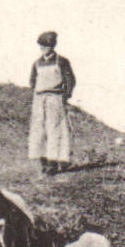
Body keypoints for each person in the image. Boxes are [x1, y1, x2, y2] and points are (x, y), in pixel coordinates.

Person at [28, 31, 76, 176]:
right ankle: (43, 162)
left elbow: (70, 80)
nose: (44, 48)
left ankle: (54, 163)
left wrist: (65, 95)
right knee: (39, 130)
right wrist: (38, 92)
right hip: (39, 99)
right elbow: (32, 80)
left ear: (52, 46)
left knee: (55, 130)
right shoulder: (37, 63)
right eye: (41, 46)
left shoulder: (62, 61)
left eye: (47, 46)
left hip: (55, 98)